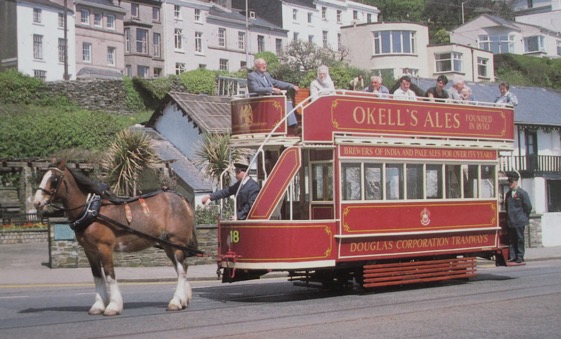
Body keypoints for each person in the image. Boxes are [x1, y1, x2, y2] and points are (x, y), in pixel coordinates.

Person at [247, 58, 300, 133]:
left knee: (287, 102)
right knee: (284, 102)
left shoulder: (266, 75)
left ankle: (293, 126)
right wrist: (272, 89)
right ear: (256, 66)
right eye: (262, 64)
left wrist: (291, 86)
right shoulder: (252, 76)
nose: (264, 66)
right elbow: (256, 89)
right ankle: (292, 126)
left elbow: (277, 83)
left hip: (271, 100)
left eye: (265, 64)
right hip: (260, 101)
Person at [504, 171, 532, 264]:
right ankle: (513, 256)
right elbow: (506, 207)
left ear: (516, 182)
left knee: (520, 238)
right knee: (512, 239)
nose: (509, 184)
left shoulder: (522, 193)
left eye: (511, 182)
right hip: (511, 221)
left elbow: (528, 206)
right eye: (509, 182)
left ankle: (520, 256)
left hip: (519, 220)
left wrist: (524, 217)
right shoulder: (508, 194)